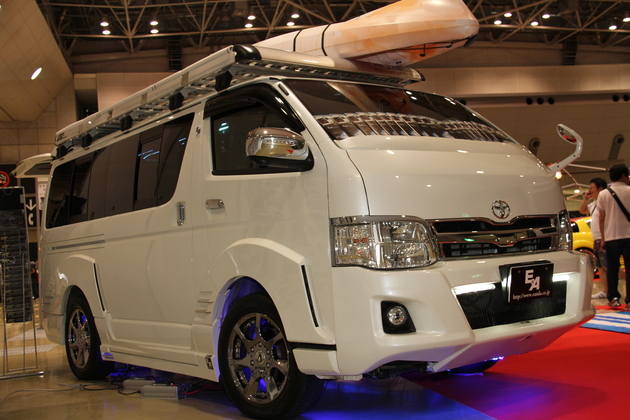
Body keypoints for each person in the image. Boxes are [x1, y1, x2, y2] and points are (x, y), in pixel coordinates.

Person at [597, 164, 630, 309]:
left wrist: (603, 238)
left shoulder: (604, 194)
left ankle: (613, 298)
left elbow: (601, 217)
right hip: (629, 236)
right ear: (623, 176)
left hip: (611, 237)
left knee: (612, 269)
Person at [579, 177, 608, 299]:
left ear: (600, 189)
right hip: (596, 238)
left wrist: (604, 238)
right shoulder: (594, 204)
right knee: (601, 267)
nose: (590, 190)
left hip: (604, 237)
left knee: (609, 266)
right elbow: (582, 210)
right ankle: (605, 291)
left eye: (592, 188)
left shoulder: (606, 202)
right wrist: (586, 199)